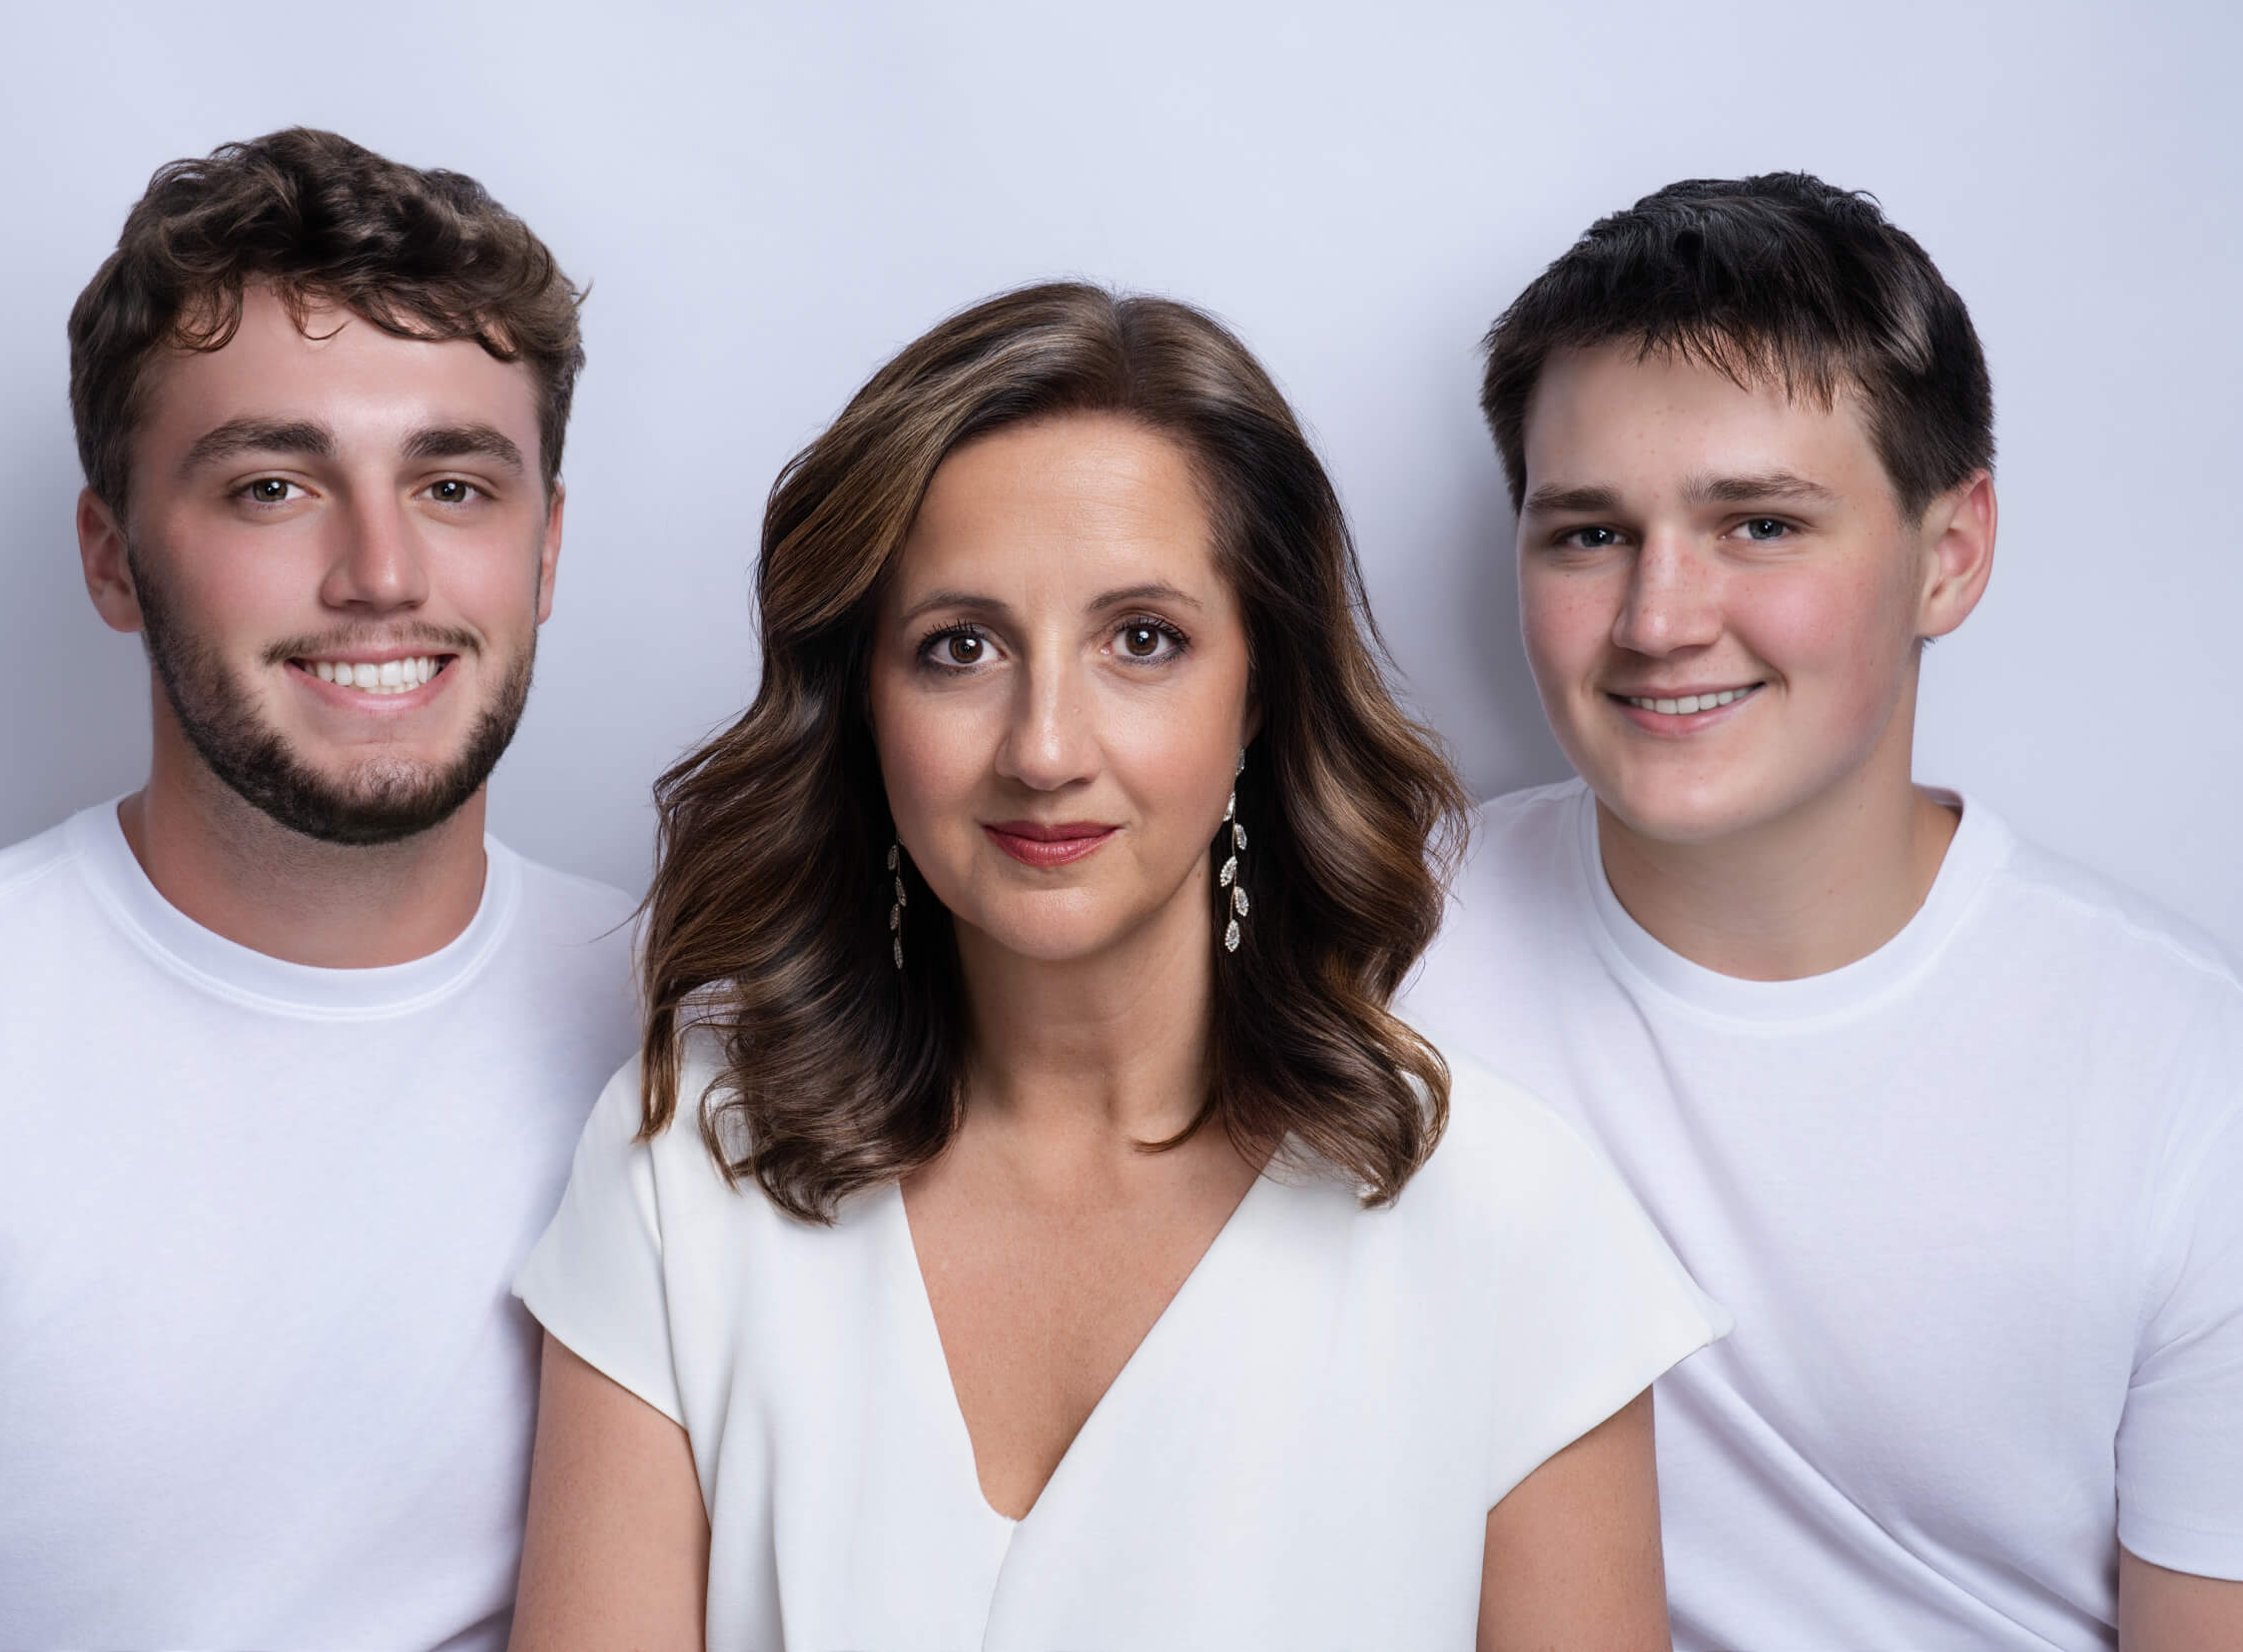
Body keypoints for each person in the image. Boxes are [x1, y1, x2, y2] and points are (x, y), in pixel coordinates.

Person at [503, 281, 1729, 1649]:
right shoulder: (689, 1165)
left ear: (1258, 690)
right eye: (957, 647)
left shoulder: (1508, 1220)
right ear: (863, 699)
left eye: (1140, 640)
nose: (1042, 745)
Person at [0, 129, 636, 1650]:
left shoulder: (695, 1025)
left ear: (545, 551)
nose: (381, 572)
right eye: (272, 485)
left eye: (451, 482)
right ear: (112, 557)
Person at [1397, 172, 2243, 1650]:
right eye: (1586, 534)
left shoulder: (2186, 1087)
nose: (1658, 618)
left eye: (1759, 525)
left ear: (1949, 551)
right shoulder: (1377, 935)